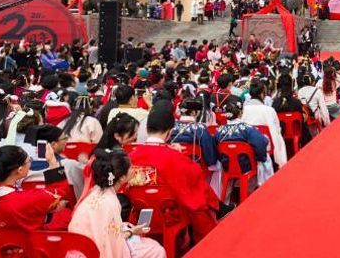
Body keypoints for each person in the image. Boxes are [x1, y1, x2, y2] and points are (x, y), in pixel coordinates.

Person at [127, 101, 219, 241]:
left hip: (140, 213)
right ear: (170, 132)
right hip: (170, 216)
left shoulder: (130, 156)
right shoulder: (175, 157)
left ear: (146, 129)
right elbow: (195, 177)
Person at [69, 148, 166, 258]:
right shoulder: (110, 202)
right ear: (122, 178)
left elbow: (108, 234)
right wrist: (130, 232)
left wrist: (131, 231)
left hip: (81, 249)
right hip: (97, 252)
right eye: (131, 167)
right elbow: (111, 245)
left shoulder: (95, 191)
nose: (134, 169)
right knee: (157, 250)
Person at [0, 142, 71, 231]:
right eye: (29, 161)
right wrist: (52, 162)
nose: (30, 163)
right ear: (20, 170)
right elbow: (59, 191)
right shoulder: (29, 200)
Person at [216, 97, 270, 188]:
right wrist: (261, 158)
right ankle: (265, 187)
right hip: (246, 166)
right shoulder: (248, 129)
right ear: (240, 113)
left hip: (226, 166)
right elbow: (261, 144)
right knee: (265, 159)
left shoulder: (219, 130)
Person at [240, 82, 288, 169]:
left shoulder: (243, 110)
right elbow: (277, 130)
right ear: (262, 94)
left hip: (247, 144)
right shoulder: (269, 110)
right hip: (266, 144)